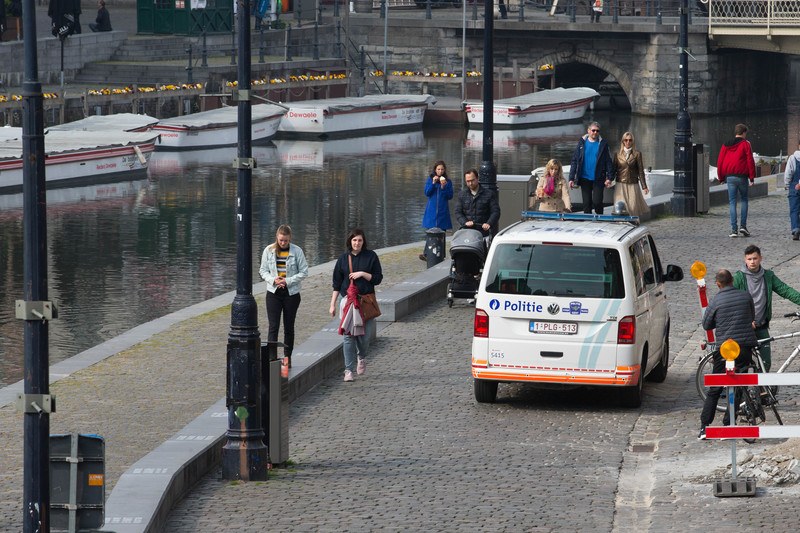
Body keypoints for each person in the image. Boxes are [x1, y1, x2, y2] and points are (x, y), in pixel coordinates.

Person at [699, 269, 757, 439]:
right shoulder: (746, 296)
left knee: (715, 387)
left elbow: (706, 325)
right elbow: (751, 316)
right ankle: (729, 423)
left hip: (725, 349)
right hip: (744, 347)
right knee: (740, 384)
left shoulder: (716, 300)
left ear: (718, 284)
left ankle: (704, 426)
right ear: (732, 281)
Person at [732, 244, 800, 372]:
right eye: (749, 259)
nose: (752, 262)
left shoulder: (768, 276)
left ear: (760, 258)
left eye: (755, 258)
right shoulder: (738, 278)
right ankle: (741, 392)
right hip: (745, 328)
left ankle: (761, 390)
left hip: (762, 326)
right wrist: (745, 320)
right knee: (743, 365)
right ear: (745, 260)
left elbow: (785, 290)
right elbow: (731, 301)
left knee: (766, 363)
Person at [329, 229, 383, 382]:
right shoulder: (343, 259)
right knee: (348, 337)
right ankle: (348, 370)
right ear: (350, 242)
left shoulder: (371, 256)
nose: (357, 243)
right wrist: (332, 304)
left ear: (363, 241)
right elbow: (336, 283)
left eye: (359, 240)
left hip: (366, 302)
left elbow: (378, 278)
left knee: (364, 338)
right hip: (349, 302)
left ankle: (362, 356)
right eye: (354, 240)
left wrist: (363, 274)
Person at [259, 225, 308, 369]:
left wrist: (287, 281)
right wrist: (274, 280)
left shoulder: (297, 251)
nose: (283, 243)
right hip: (273, 293)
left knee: (289, 327)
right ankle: (271, 358)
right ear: (277, 237)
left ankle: (287, 357)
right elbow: (263, 270)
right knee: (273, 327)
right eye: (281, 240)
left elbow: (304, 272)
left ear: (289, 239)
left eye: (285, 241)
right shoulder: (268, 251)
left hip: (291, 293)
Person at [717, 123, 756, 238]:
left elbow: (720, 161)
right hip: (742, 176)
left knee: (732, 202)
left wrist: (721, 177)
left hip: (730, 177)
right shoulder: (745, 144)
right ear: (744, 133)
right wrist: (752, 177)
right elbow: (750, 160)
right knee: (744, 200)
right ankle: (743, 226)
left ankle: (734, 230)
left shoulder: (726, 144)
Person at [568, 121, 614, 215]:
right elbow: (574, 161)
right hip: (584, 178)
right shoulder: (582, 143)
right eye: (593, 130)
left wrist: (609, 177)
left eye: (597, 131)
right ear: (588, 131)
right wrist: (571, 178)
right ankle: (587, 223)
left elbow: (608, 161)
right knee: (587, 204)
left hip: (598, 178)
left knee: (597, 202)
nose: (595, 133)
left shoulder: (603, 144)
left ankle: (600, 219)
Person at [419, 160, 454, 261]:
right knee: (430, 233)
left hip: (443, 211)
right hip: (432, 210)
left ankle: (441, 255)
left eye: (442, 169)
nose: (440, 171)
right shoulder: (430, 180)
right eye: (438, 169)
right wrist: (433, 183)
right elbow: (427, 193)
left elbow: (450, 196)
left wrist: (443, 187)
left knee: (442, 233)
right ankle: (427, 253)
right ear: (435, 170)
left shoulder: (448, 181)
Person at [613, 131, 650, 217]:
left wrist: (644, 187)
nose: (628, 142)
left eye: (630, 140)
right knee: (621, 206)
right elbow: (613, 169)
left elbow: (640, 171)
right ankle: (621, 224)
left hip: (633, 183)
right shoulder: (617, 154)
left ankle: (633, 222)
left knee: (633, 206)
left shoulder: (637, 154)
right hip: (620, 184)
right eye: (626, 140)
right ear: (623, 141)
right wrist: (609, 180)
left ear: (632, 141)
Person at [454, 168, 501, 236]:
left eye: (472, 180)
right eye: (468, 181)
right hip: (467, 231)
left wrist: (489, 223)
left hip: (484, 232)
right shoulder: (462, 195)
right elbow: (458, 212)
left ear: (477, 178)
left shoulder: (489, 194)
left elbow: (495, 212)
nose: (470, 183)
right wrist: (465, 222)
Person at [784, 139, 800, 240]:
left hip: (794, 186)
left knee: (794, 210)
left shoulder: (793, 158)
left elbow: (788, 173)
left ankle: (795, 229)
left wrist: (787, 184)